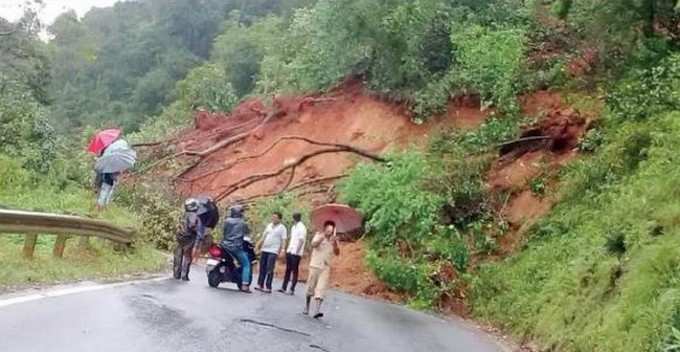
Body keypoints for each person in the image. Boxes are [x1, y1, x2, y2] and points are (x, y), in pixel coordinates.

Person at [304, 220, 340, 319]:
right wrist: (322, 237)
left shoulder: (334, 240)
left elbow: (337, 253)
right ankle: (307, 307)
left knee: (321, 288)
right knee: (310, 288)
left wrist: (335, 243)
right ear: (324, 229)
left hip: (325, 266)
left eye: (331, 230)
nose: (330, 232)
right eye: (328, 230)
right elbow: (313, 245)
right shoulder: (318, 235)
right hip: (315, 265)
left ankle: (317, 310)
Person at [221, 205, 252, 293]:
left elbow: (224, 232)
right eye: (242, 212)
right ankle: (245, 285)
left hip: (224, 245)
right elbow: (247, 233)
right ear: (239, 213)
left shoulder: (226, 221)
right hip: (236, 247)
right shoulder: (243, 223)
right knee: (246, 264)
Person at [173, 198, 205, 281]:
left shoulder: (183, 215)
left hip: (180, 238)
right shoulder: (196, 217)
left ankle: (176, 274)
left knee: (178, 255)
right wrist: (198, 242)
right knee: (187, 257)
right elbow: (196, 229)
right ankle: (184, 275)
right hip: (189, 239)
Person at [255, 212, 287, 293]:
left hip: (273, 250)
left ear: (279, 219)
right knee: (262, 267)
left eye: (275, 217)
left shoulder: (282, 228)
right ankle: (260, 284)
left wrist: (283, 250)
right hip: (264, 249)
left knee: (269, 268)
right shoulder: (269, 225)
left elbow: (284, 240)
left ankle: (268, 286)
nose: (273, 219)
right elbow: (263, 237)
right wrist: (257, 245)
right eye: (273, 217)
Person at [278, 212, 307, 295]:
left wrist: (297, 251)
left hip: (296, 252)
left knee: (294, 270)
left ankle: (292, 289)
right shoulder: (293, 227)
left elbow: (301, 240)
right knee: (288, 269)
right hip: (290, 250)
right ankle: (284, 287)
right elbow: (292, 239)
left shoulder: (302, 227)